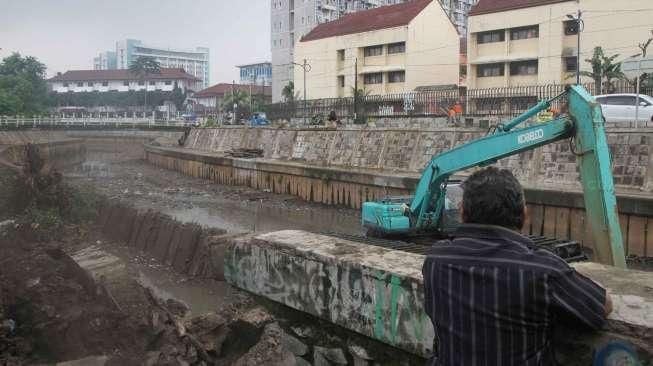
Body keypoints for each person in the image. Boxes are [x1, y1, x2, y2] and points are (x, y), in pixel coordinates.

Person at [422, 167, 612, 366]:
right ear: (524, 214)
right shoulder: (542, 269)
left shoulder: (436, 259)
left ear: (462, 212)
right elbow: (601, 306)